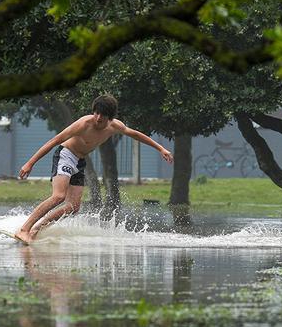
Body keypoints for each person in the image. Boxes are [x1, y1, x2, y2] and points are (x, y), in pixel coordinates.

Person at [14, 94, 173, 243]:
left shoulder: (114, 126)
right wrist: (30, 163)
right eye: (96, 113)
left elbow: (136, 135)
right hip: (65, 155)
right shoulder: (83, 124)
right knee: (58, 196)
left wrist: (161, 148)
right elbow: (54, 140)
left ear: (109, 118)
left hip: (79, 162)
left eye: (102, 115)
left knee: (73, 208)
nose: (98, 118)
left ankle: (36, 229)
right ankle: (24, 229)